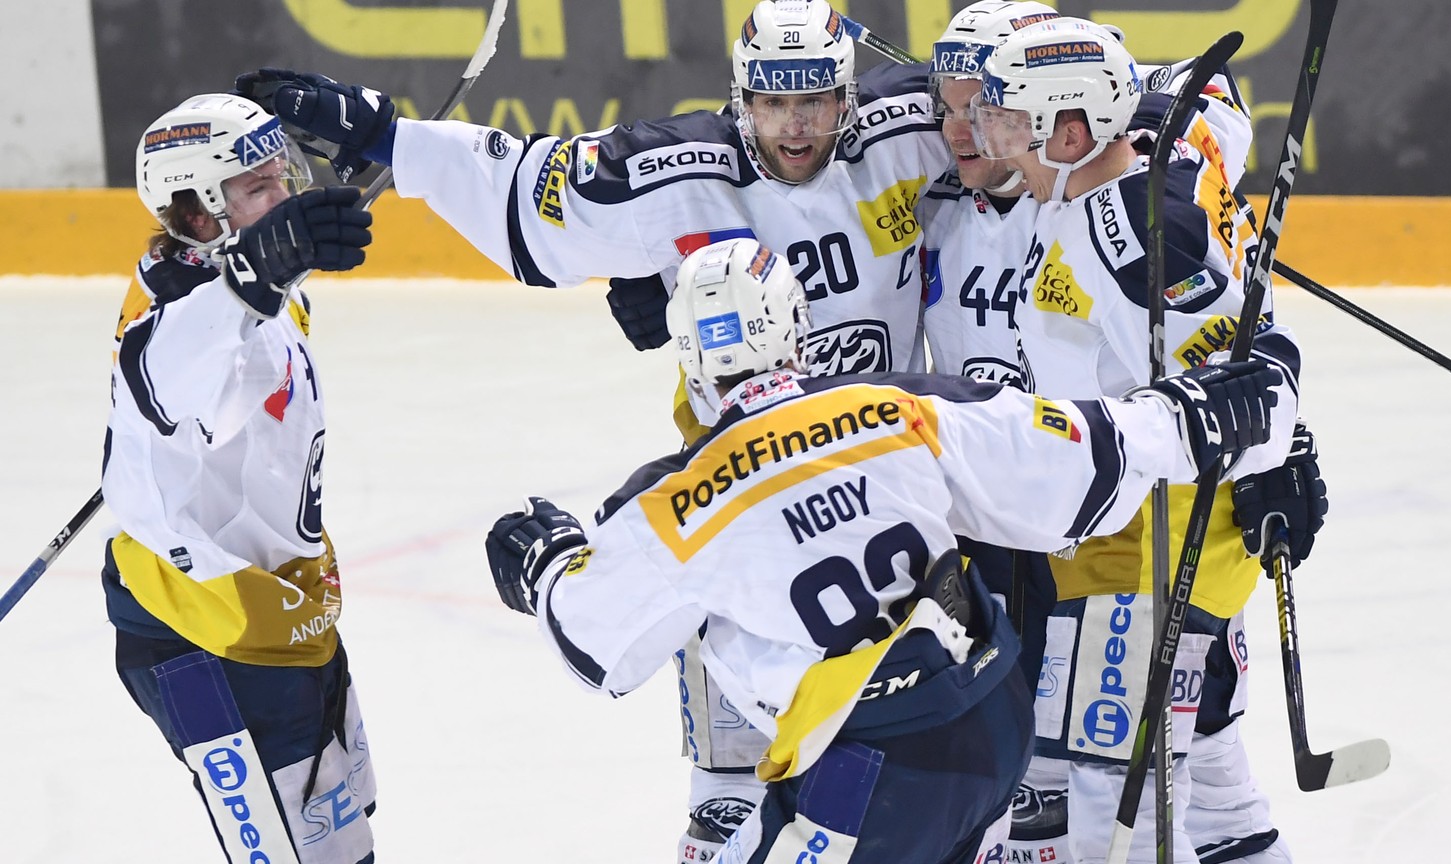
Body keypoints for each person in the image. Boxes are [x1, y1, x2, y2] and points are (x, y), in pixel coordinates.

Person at [235, 3, 953, 858]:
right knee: (729, 794)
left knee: (907, 749)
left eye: (815, 103)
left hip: (887, 485)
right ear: (739, 97)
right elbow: (524, 186)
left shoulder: (914, 129)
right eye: (770, 103)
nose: (794, 128)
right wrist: (383, 134)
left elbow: (1019, 108)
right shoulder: (672, 168)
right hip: (738, 492)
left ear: (849, 96)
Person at [483, 237, 1283, 864]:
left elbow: (594, 647)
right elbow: (1085, 456)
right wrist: (1198, 413)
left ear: (688, 356)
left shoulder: (672, 500)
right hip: (995, 717)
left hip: (872, 773)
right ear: (796, 327)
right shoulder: (900, 406)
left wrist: (546, 560)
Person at [964, 19, 1317, 864]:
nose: (987, 130)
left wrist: (1284, 448)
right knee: (1209, 790)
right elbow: (1208, 90)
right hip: (1118, 545)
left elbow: (1256, 377)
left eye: (1010, 118)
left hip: (1149, 553)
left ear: (1072, 131)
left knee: (1112, 815)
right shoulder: (1107, 182)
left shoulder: (1122, 236)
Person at [102, 92, 377, 864]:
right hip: (208, 625)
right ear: (195, 214)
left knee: (343, 830)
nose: (284, 198)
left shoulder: (244, 275)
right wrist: (255, 278)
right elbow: (164, 371)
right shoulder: (184, 304)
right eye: (259, 190)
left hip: (287, 604)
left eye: (279, 176)